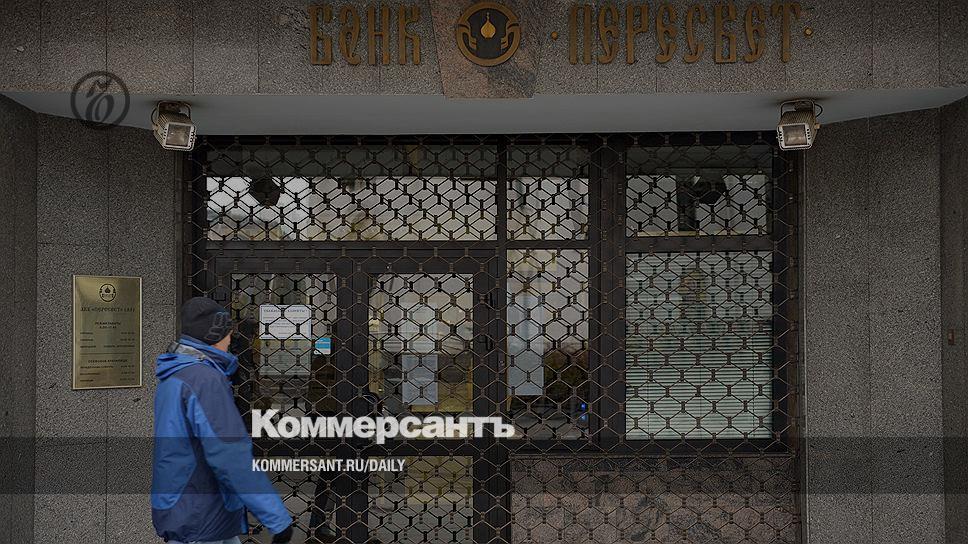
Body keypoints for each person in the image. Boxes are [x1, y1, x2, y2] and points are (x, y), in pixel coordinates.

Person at [151, 297, 294, 544]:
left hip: (185, 503)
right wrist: (276, 518)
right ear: (215, 334)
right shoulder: (204, 380)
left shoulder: (175, 374)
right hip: (200, 512)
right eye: (228, 333)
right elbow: (229, 454)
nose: (231, 340)